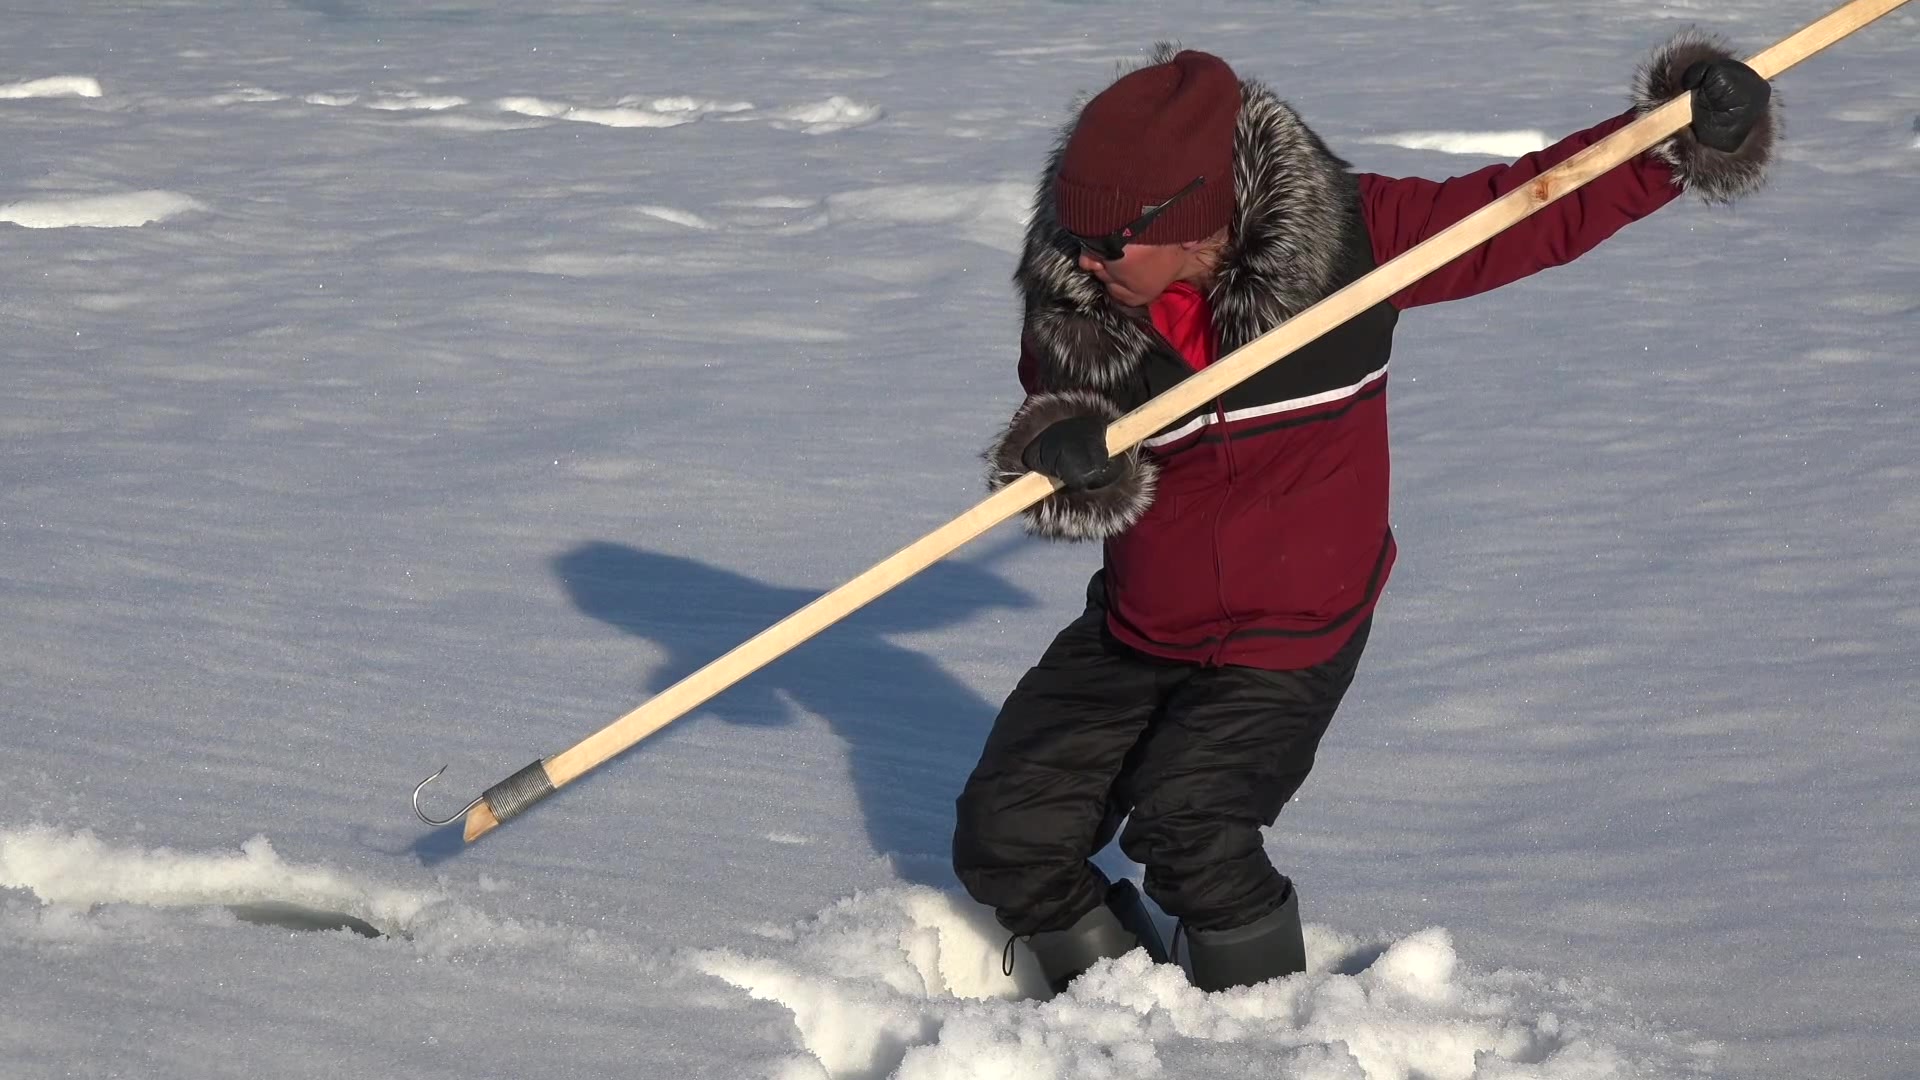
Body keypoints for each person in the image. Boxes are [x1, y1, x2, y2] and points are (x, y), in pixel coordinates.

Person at [950, 33, 1775, 995]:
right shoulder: (1076, 308)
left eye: (1107, 241)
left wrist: (1680, 132)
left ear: (1192, 214)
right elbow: (1055, 432)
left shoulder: (1352, 246)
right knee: (1010, 836)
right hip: (1143, 625)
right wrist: (1065, 450)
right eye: (1071, 235)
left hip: (1290, 633)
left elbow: (1529, 207)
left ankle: (1253, 1040)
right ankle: (1117, 1013)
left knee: (1194, 833)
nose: (1083, 261)